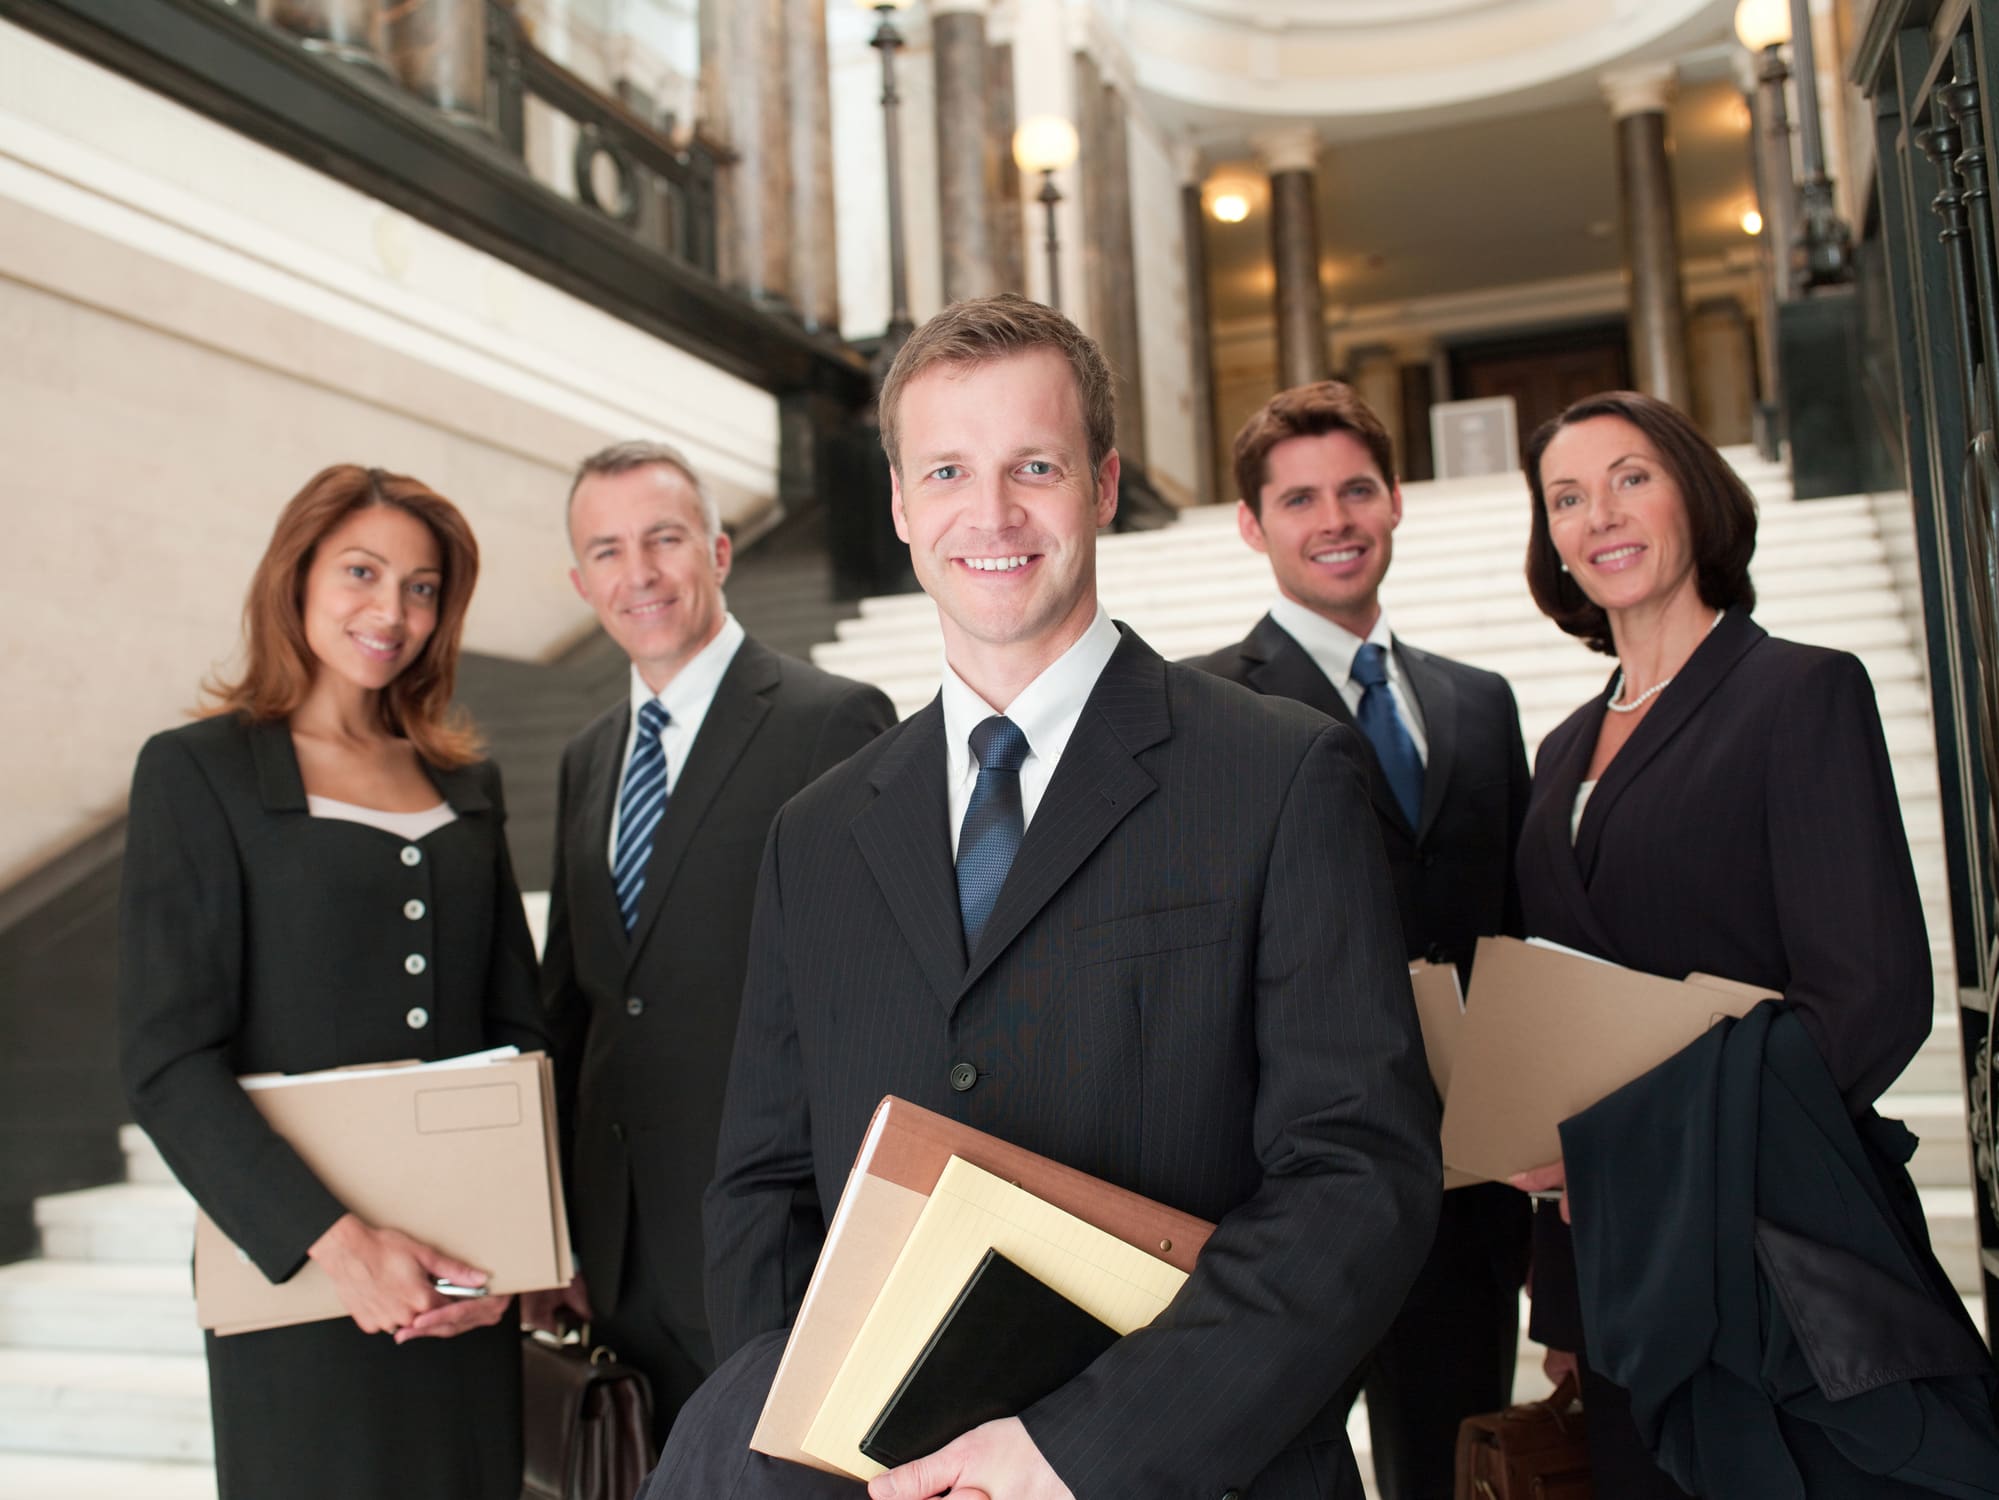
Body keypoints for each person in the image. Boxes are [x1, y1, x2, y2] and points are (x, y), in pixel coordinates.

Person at [646, 293, 1441, 1500]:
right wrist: (829, 1446)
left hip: (1182, 1469)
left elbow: (1357, 1178)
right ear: (904, 506)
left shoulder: (1277, 775)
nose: (993, 513)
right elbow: (760, 1189)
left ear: (1104, 483)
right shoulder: (815, 836)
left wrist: (1074, 1450)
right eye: (949, 471)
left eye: (1035, 465)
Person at [1508, 391, 1934, 1495]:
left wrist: (1645, 1154)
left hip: (1779, 1252)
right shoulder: (1556, 754)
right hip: (1621, 1273)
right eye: (1565, 496)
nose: (1598, 513)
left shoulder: (1799, 693)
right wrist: (1560, 1295)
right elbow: (1561, 1025)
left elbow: (1872, 998)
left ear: (1695, 493)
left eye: (1629, 477)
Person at [118, 465, 548, 1499]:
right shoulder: (197, 773)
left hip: (465, 1279)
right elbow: (167, 1060)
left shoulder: (463, 782)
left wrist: (520, 1261)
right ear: (296, 575)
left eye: (422, 586)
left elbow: (516, 1030)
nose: (390, 611)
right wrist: (340, 1245)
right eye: (361, 572)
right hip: (300, 1276)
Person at [1187, 381, 1531, 1500]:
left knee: (1452, 1468)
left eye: (1354, 490)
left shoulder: (1480, 705)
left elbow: (1512, 937)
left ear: (1394, 502)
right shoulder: (1198, 712)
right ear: (1251, 526)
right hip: (1282, 1190)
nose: (1332, 518)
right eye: (1297, 499)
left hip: (1468, 1190)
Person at [527, 441, 895, 1443]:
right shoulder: (586, 757)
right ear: (579, 581)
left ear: (720, 552)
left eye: (663, 540)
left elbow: (875, 1003)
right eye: (605, 551)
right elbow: (576, 1008)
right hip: (618, 1254)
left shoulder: (832, 722)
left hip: (770, 1252)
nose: (636, 574)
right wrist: (548, 1232)